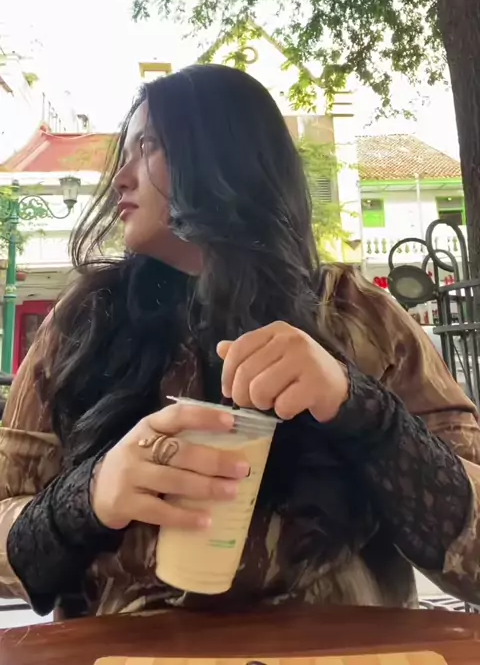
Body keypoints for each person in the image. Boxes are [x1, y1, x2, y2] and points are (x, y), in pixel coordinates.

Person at [0, 65, 479, 619]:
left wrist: (362, 409)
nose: (120, 180)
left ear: (222, 156)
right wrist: (86, 498)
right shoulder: (84, 322)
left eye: (147, 147)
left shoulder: (361, 318)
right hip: (131, 653)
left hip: (337, 650)